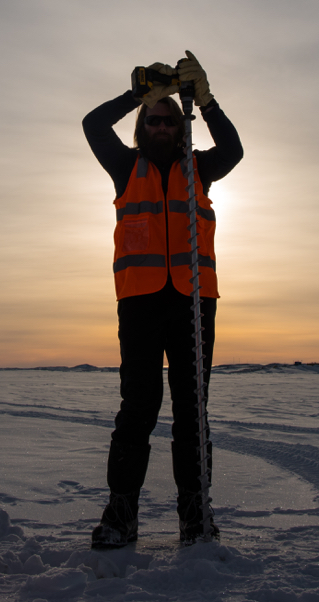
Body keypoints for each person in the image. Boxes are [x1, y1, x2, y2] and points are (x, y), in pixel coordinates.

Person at [82, 50, 243, 548]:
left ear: (180, 127)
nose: (160, 126)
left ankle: (196, 516)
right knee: (139, 408)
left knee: (193, 411)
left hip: (194, 304)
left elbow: (234, 150)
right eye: (151, 119)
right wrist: (136, 94)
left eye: (168, 120)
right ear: (141, 126)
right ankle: (121, 515)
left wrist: (208, 102)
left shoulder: (200, 168)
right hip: (141, 305)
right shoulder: (125, 168)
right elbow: (91, 125)